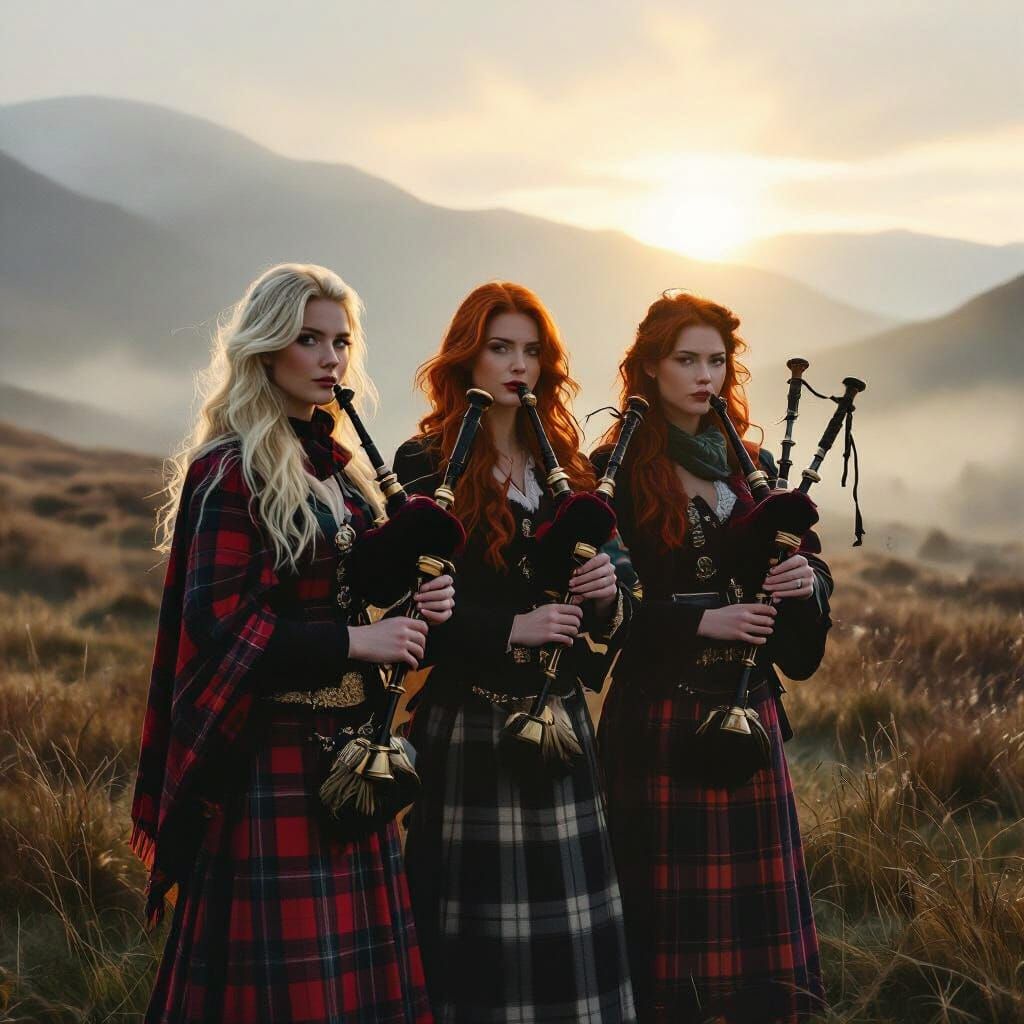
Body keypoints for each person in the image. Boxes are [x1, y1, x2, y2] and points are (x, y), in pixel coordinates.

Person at [131, 263, 452, 1023]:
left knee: (353, 985)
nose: (331, 358)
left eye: (341, 341)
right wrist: (360, 642)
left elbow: (352, 604)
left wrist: (418, 607)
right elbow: (223, 625)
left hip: (346, 759)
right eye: (309, 339)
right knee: (288, 993)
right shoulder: (230, 467)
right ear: (266, 347)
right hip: (270, 761)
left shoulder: (336, 472)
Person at [393, 282, 637, 1023]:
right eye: (500, 347)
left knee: (567, 937)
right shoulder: (425, 462)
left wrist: (603, 591)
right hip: (469, 724)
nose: (517, 365)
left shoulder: (566, 464)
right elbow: (417, 612)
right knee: (479, 943)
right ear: (467, 355)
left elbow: (620, 609)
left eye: (531, 351)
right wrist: (510, 629)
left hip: (559, 720)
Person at [594, 291, 832, 1024]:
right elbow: (608, 618)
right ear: (650, 368)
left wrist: (805, 580)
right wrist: (706, 623)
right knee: (672, 937)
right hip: (661, 717)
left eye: (717, 361)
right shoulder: (617, 468)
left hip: (748, 709)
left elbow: (809, 570)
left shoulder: (750, 461)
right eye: (685, 359)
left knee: (756, 956)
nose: (705, 375)